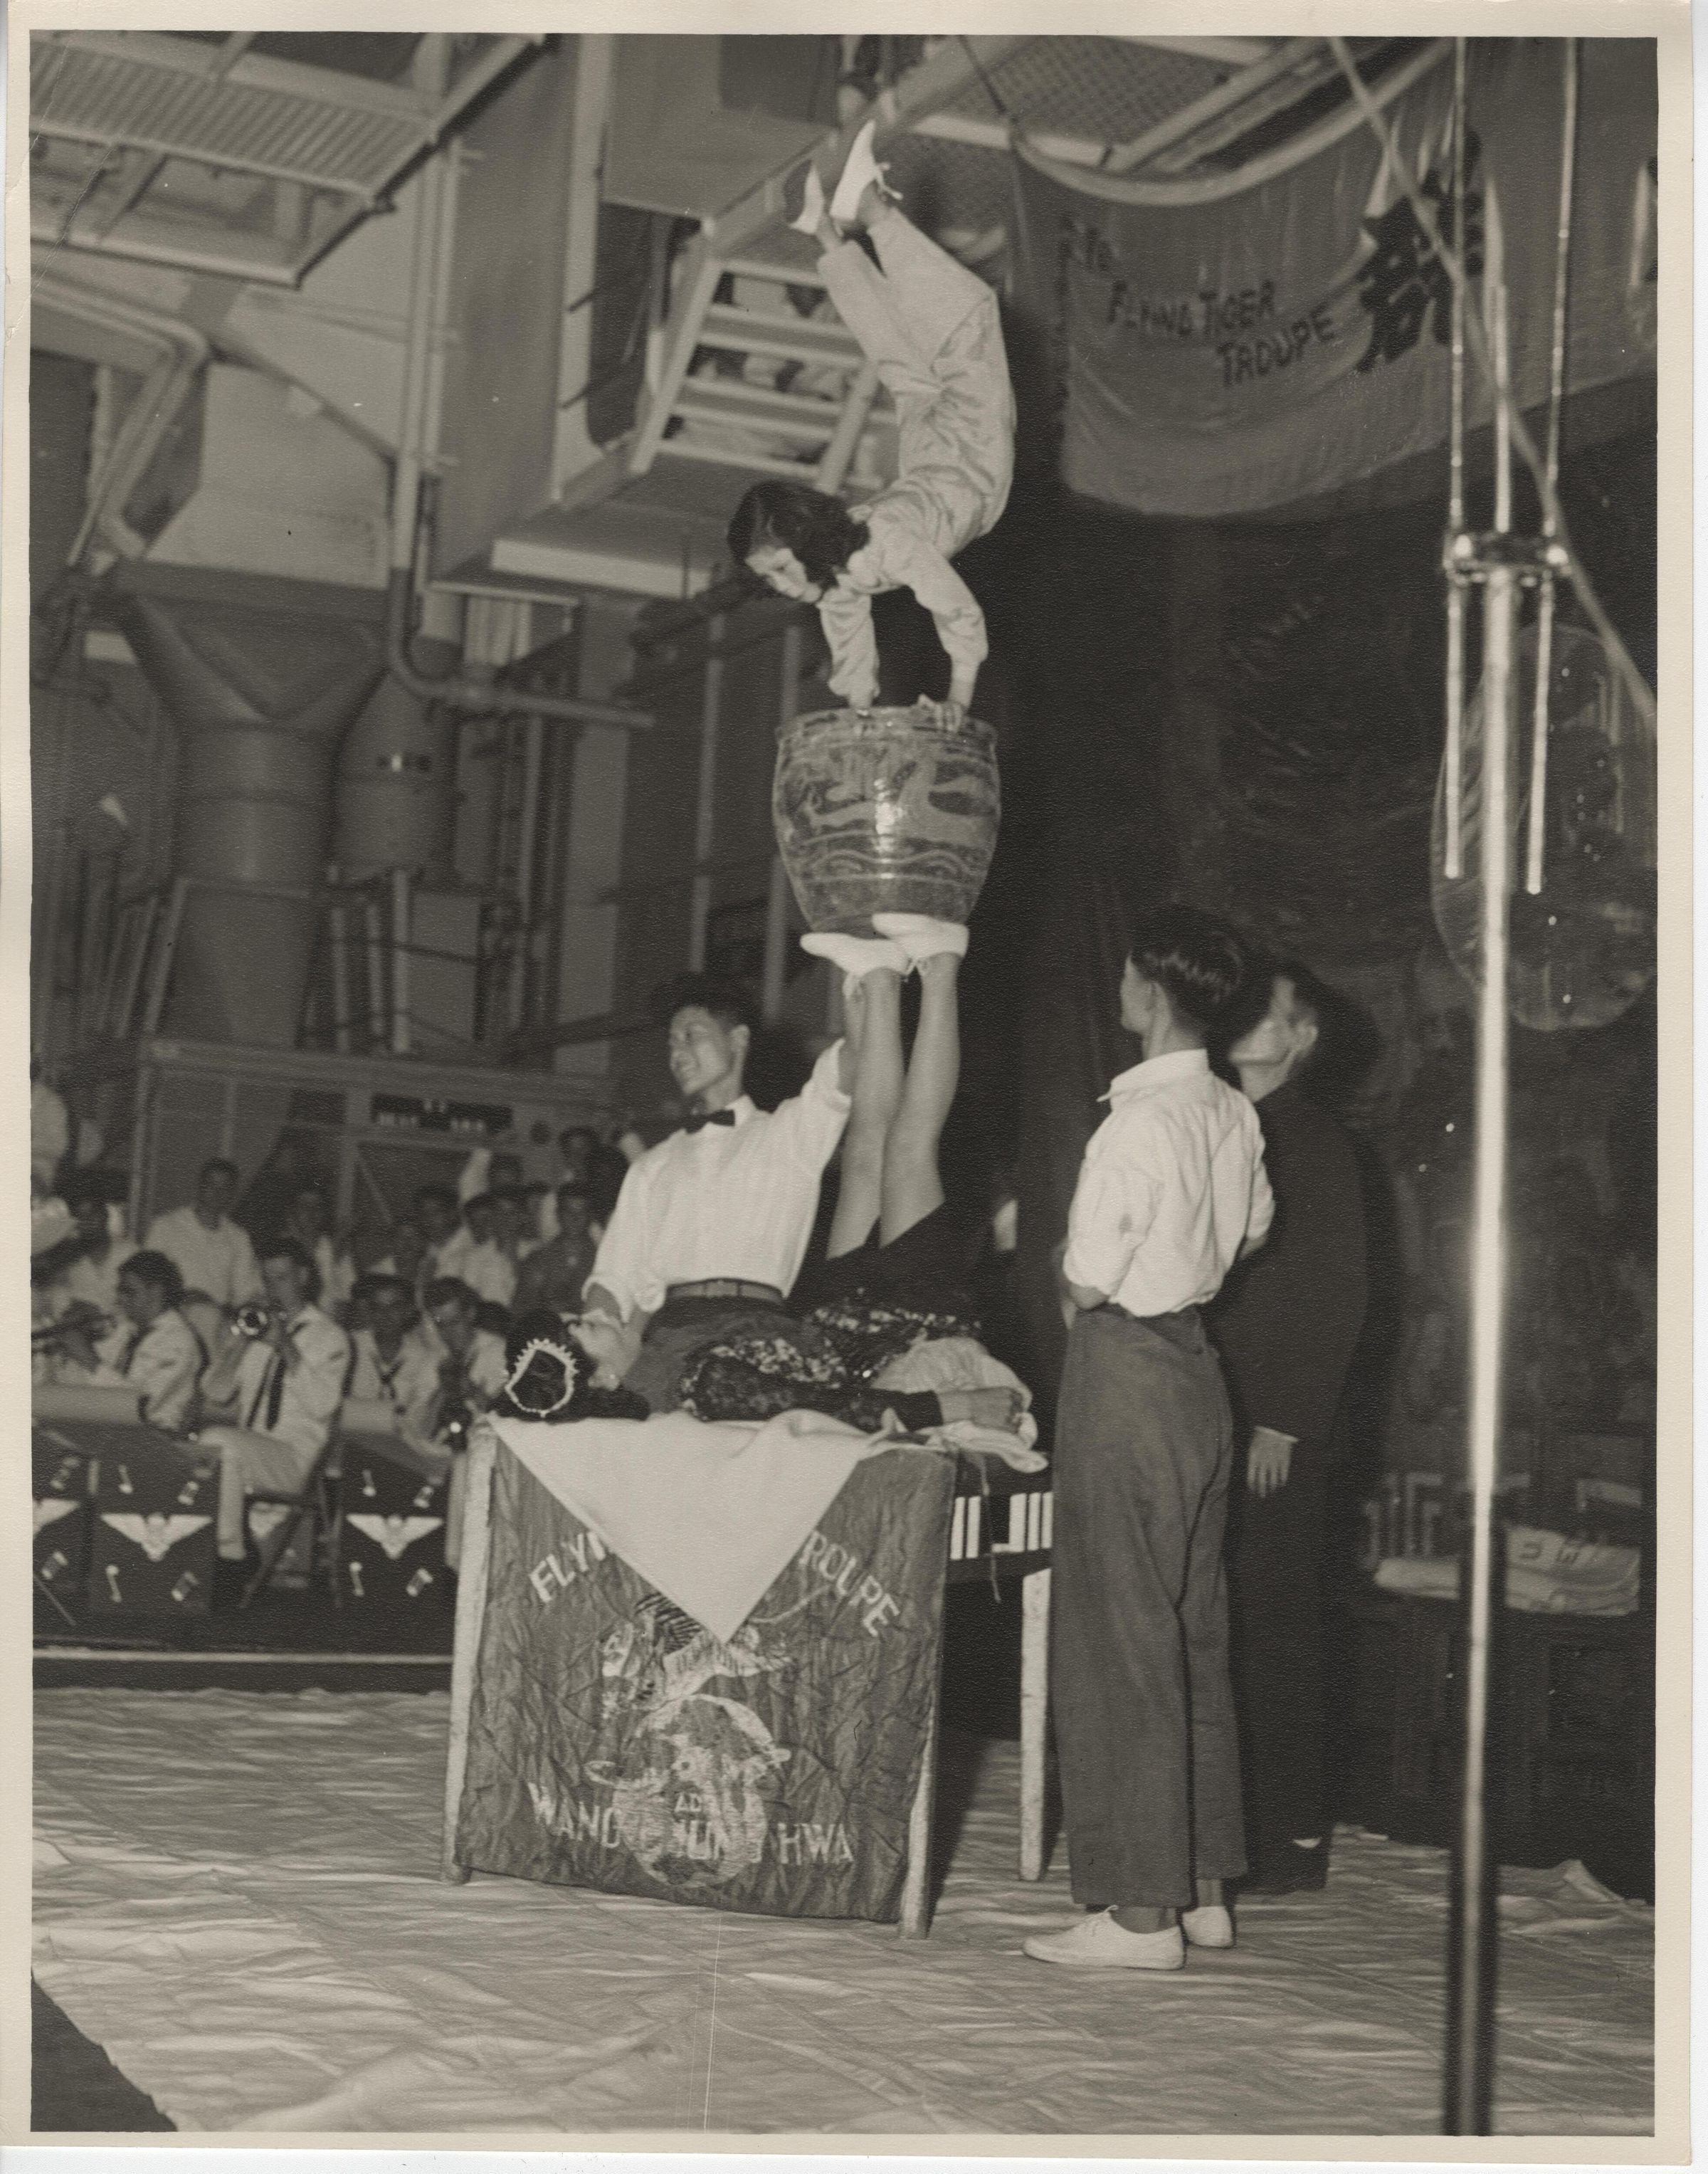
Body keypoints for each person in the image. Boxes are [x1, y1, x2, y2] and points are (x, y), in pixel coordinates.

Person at [1025, 905, 1274, 1974]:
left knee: (1117, 1634)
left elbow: (1085, 1273)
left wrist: (1059, 1270)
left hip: (1128, 1372)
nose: (1120, 989)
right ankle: (1204, 1887)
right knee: (1190, 1630)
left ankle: (1137, 1916)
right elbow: (1253, 1227)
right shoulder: (1232, 1109)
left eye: (1129, 977)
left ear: (1153, 995)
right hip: (1202, 1376)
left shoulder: (1134, 1122)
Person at [728, 119, 1013, 722]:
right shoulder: (842, 571)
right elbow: (848, 633)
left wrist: (961, 696)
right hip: (935, 456)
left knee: (970, 319)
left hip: (969, 455)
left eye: (779, 567)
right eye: (770, 577)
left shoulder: (887, 544)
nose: (782, 586)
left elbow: (955, 606)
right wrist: (857, 706)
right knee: (900, 362)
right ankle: (826, 233)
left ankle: (872, 213)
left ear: (805, 538)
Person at [1211, 960, 1369, 1896]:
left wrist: (1286, 1420)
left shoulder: (1314, 1140)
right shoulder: (1235, 1123)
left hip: (1278, 1429)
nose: (1245, 1024)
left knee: (1275, 1626)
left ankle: (1291, 1839)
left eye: (1265, 1014)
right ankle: (1242, 1828)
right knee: (1232, 1620)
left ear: (1300, 1038)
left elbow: (1336, 1292)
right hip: (1221, 1412)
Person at [577, 975, 853, 1412]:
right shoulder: (652, 1166)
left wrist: (861, 980)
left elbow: (844, 1073)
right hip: (671, 1336)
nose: (678, 1054)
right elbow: (615, 1277)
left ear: (738, 1040)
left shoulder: (787, 1134)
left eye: (692, 1037)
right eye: (671, 1043)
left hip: (762, 1332)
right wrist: (595, 1343)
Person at [196, 1237, 351, 1572]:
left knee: (217, 1441)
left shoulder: (330, 1336)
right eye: (267, 1280)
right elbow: (215, 1392)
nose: (272, 1288)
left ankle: (230, 1557)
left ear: (304, 1278)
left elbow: (324, 1405)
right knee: (207, 1445)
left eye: (281, 1278)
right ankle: (218, 1552)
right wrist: (238, 1342)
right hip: (253, 1454)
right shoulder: (257, 1327)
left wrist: (285, 1347)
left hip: (295, 1458)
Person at [48, 1249, 205, 1433]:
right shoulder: (129, 1330)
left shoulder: (179, 1341)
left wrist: (88, 1358)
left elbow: (141, 1405)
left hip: (158, 1434)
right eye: (120, 1291)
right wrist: (70, 1350)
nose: (120, 1299)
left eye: (129, 1292)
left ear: (155, 1291)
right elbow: (92, 1379)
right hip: (117, 1429)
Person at [144, 1159, 265, 1311]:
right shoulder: (166, 1226)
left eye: (225, 1188)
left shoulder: (238, 1238)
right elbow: (147, 1281)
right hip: (173, 1317)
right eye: (211, 1185)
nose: (217, 1193)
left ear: (233, 1192)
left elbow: (246, 1290)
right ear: (200, 1187)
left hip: (219, 1320)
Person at [344, 1274, 443, 1434]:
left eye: (394, 1307)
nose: (385, 1316)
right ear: (369, 1311)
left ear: (408, 1311)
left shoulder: (427, 1358)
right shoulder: (349, 1346)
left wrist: (357, 1413)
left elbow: (418, 1417)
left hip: (400, 1447)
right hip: (351, 1439)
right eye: (378, 1308)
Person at [35, 1174, 136, 1322]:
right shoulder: (66, 1260)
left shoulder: (131, 1252)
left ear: (106, 1215)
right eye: (82, 1217)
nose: (88, 1222)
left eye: (93, 1214)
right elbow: (56, 1304)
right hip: (78, 1334)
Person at [515, 1182, 599, 1316]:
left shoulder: (603, 1259)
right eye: (568, 1212)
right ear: (558, 1214)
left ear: (590, 1215)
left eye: (581, 1212)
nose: (574, 1219)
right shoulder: (539, 1260)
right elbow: (522, 1309)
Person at [283, 1182, 356, 1318]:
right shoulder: (281, 1247)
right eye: (304, 1206)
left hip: (329, 1325)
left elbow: (349, 1294)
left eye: (318, 1206)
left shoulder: (336, 1246)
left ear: (325, 1212)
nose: (311, 1212)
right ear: (293, 1211)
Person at [462, 1190, 530, 1312]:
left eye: (512, 1213)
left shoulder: (535, 1251)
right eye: (499, 1212)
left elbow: (530, 1295)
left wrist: (513, 1257)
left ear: (522, 1217)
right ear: (492, 1217)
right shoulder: (476, 1256)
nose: (505, 1219)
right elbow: (469, 1298)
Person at [414, 1183, 475, 1285]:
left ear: (452, 1214)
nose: (427, 1220)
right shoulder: (427, 1253)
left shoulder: (470, 1245)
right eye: (423, 1214)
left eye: (434, 1212)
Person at [371, 1214, 432, 1296]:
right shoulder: (377, 1274)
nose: (407, 1243)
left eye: (414, 1236)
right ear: (391, 1242)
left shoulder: (435, 1267)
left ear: (423, 1242)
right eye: (400, 1237)